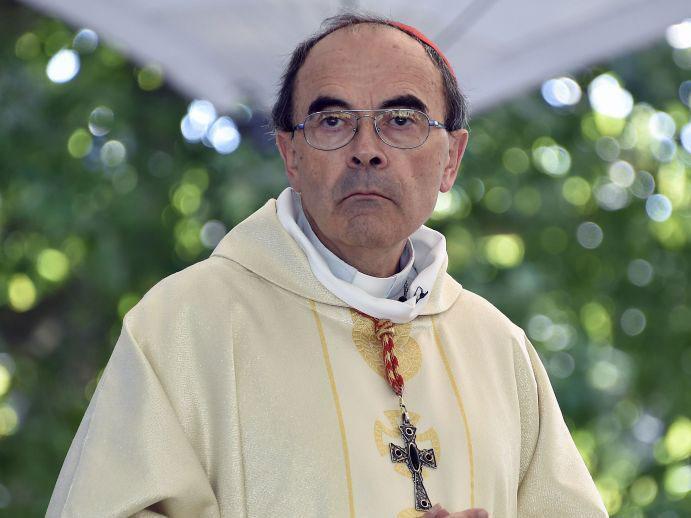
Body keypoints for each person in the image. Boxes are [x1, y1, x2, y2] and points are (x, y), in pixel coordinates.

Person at [47, 12, 609, 518]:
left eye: (402, 120)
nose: (368, 147)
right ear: (290, 153)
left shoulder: (498, 349)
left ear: (452, 158)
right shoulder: (183, 324)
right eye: (334, 121)